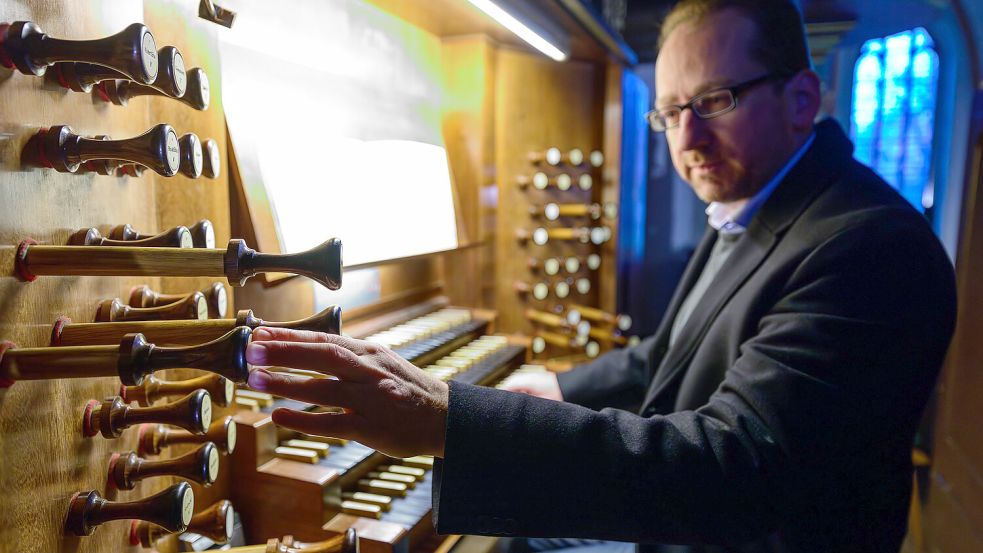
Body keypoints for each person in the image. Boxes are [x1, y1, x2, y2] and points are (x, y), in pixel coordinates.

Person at [243, 0, 957, 551]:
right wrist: (556, 386)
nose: (687, 140)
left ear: (802, 99)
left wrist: (453, 418)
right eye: (671, 112)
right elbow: (666, 354)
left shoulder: (865, 248)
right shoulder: (760, 196)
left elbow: (731, 470)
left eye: (713, 102)